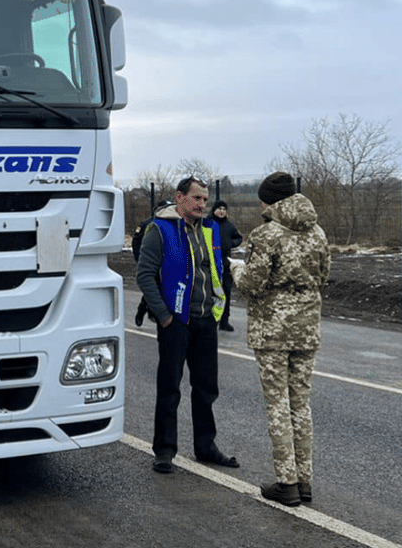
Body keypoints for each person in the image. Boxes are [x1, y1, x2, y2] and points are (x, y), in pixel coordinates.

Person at [234, 171, 329, 507]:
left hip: (272, 330)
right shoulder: (317, 232)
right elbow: (324, 276)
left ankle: (286, 482)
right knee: (301, 404)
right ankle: (305, 480)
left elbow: (251, 284)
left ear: (269, 200)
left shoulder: (266, 234)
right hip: (307, 328)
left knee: (278, 404)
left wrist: (235, 269)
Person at [135, 176, 237, 474]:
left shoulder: (210, 229)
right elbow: (145, 275)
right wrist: (163, 315)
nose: (202, 204)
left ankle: (206, 446)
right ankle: (164, 450)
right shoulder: (160, 229)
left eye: (205, 199)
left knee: (206, 388)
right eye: (196, 198)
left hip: (206, 320)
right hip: (176, 322)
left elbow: (215, 270)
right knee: (170, 388)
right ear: (180, 198)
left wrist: (217, 310)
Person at [211, 201, 244, 332]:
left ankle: (224, 320)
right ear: (214, 210)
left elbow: (239, 238)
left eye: (224, 209)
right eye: (219, 208)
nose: (222, 211)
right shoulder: (207, 223)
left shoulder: (229, 225)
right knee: (211, 291)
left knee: (226, 291)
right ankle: (210, 320)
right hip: (209, 261)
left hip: (224, 261)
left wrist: (230, 243)